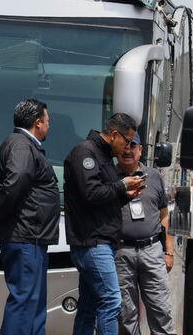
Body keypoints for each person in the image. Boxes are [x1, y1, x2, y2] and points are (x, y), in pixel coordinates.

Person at [0, 98, 60, 335]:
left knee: (34, 302)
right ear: (37, 123)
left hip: (32, 235)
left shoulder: (23, 145)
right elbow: (15, 184)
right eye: (48, 121)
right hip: (24, 234)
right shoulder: (22, 146)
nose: (49, 126)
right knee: (24, 300)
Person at [63, 113, 146, 335]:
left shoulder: (103, 156)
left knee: (89, 307)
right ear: (114, 135)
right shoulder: (86, 152)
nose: (127, 148)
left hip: (99, 241)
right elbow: (90, 193)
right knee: (111, 301)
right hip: (93, 241)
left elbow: (102, 197)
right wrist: (121, 185)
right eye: (126, 141)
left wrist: (126, 194)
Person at [115, 132, 176, 335]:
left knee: (161, 310)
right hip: (120, 252)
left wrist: (169, 252)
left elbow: (165, 216)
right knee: (125, 314)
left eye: (133, 145)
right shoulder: (109, 177)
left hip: (152, 250)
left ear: (140, 150)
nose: (128, 150)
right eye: (123, 145)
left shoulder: (155, 176)